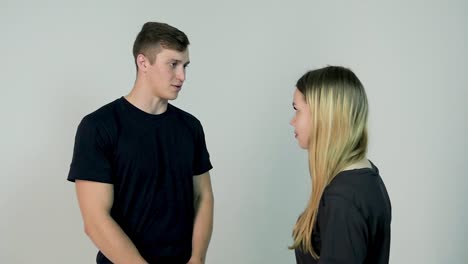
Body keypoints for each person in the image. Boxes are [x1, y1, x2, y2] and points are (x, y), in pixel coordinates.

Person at [67, 22, 214, 264]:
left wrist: (197, 259)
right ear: (143, 62)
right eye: (173, 64)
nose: (182, 76)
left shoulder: (190, 127)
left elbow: (203, 197)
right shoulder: (99, 127)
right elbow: (95, 221)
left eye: (185, 66)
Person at [289, 66, 391, 264]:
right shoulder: (367, 176)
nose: (292, 121)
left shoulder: (342, 200)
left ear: (323, 116)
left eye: (297, 110)